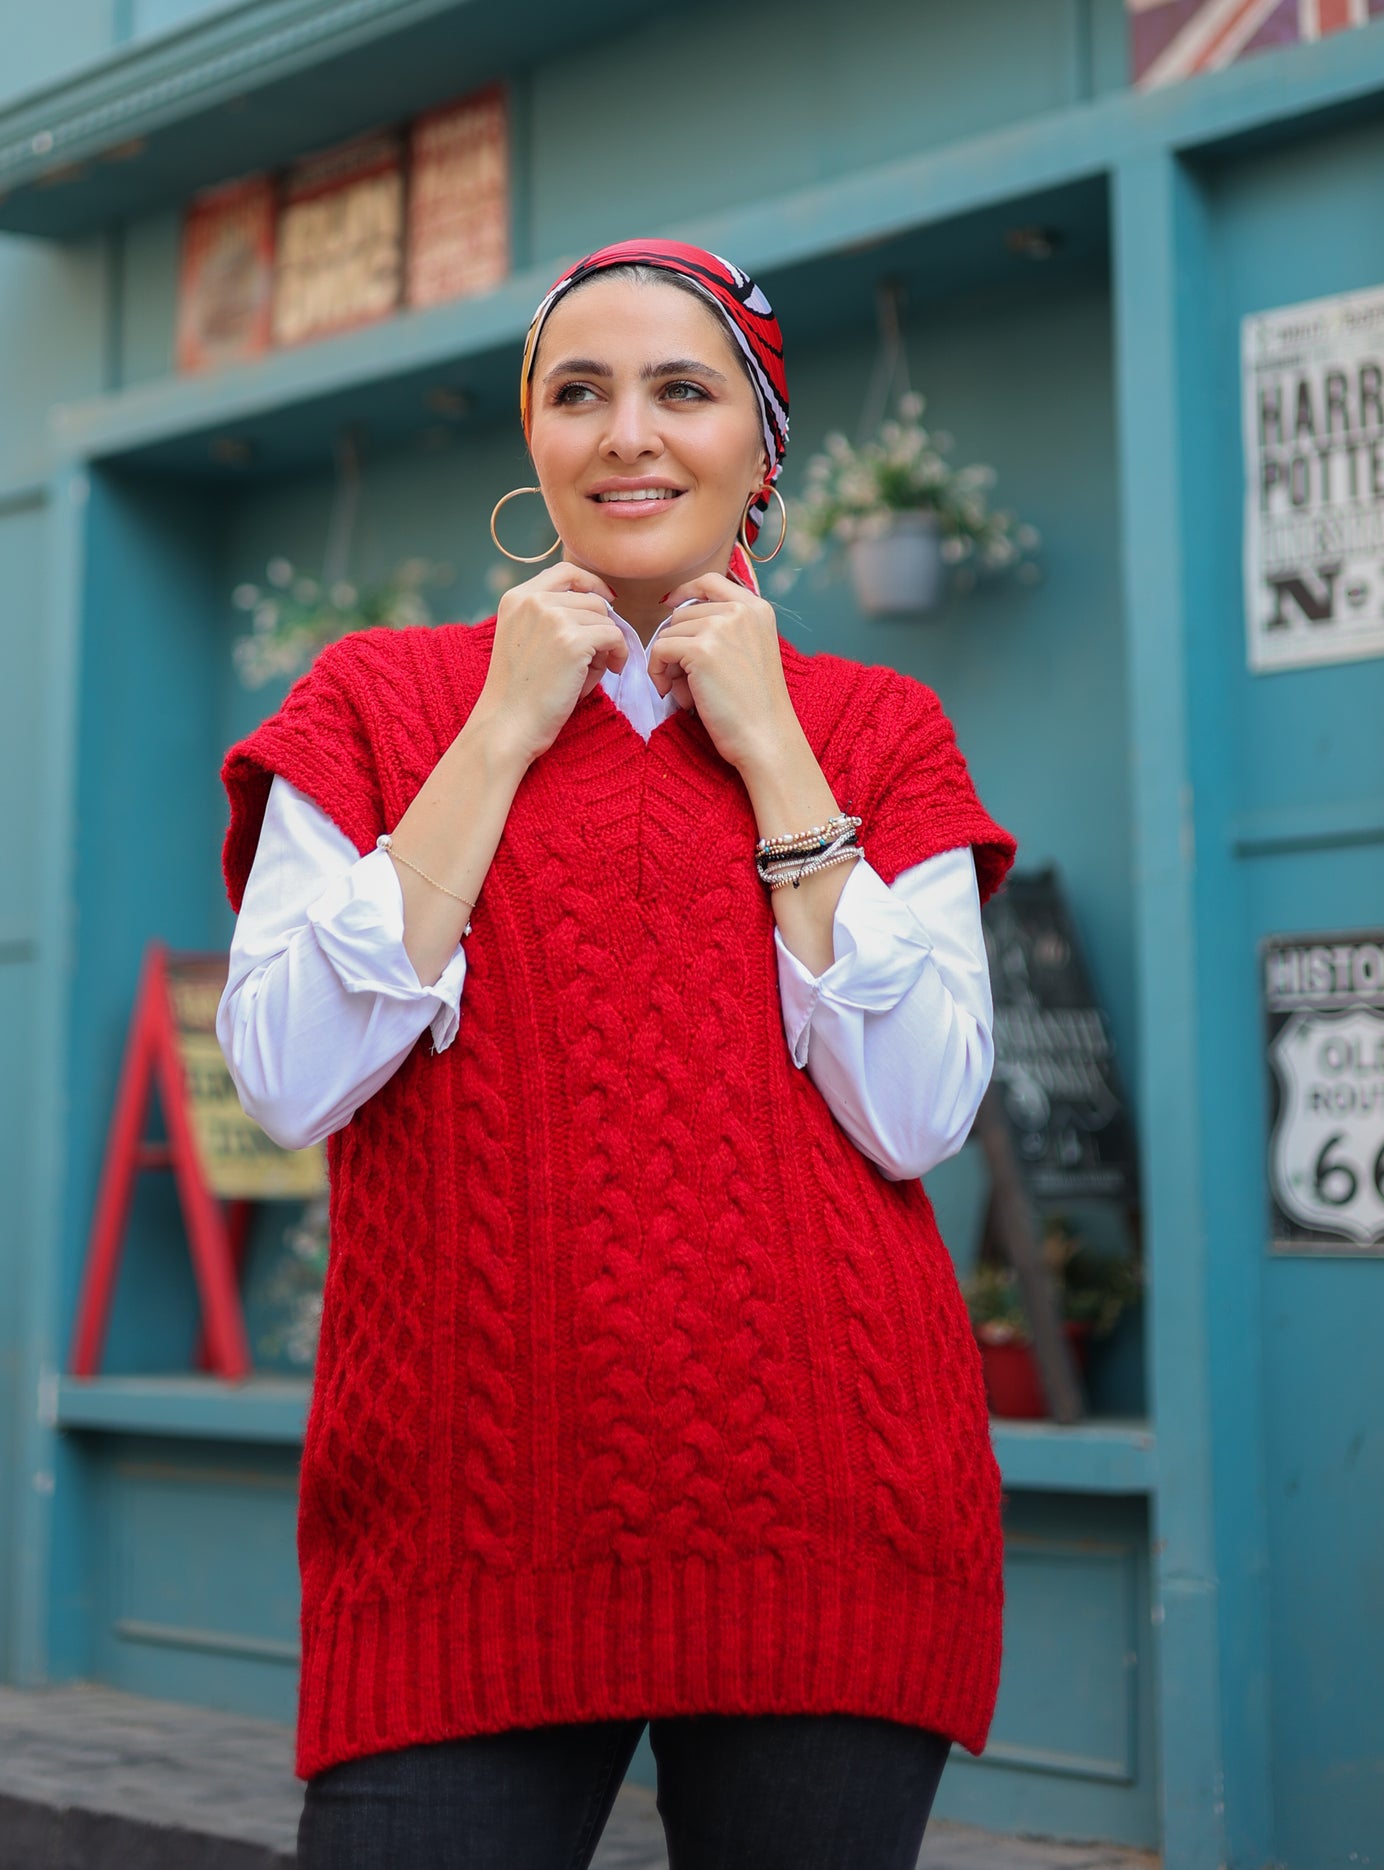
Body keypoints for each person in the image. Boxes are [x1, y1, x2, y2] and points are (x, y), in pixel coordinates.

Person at [217, 238, 1017, 1870]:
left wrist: (775, 748)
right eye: (577, 392)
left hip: (829, 1520)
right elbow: (288, 1076)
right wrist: (502, 726)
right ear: (533, 437)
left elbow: (921, 1110)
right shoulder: (379, 699)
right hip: (457, 1536)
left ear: (759, 443)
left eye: (681, 390)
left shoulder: (876, 726)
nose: (627, 434)